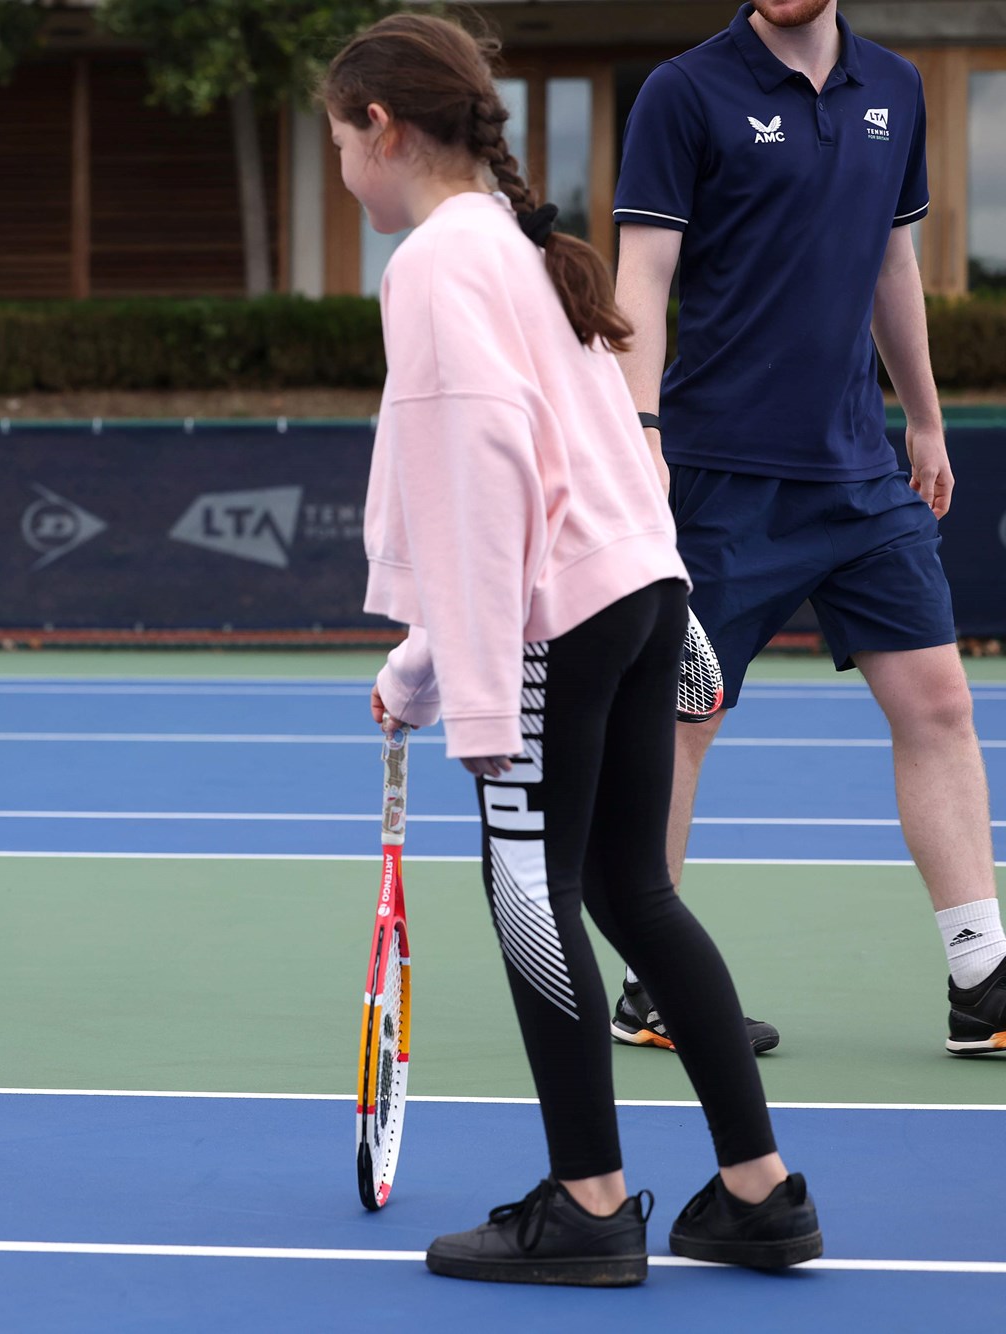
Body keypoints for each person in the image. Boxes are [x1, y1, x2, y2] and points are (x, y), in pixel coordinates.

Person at [326, 14, 821, 1284]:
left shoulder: (438, 262)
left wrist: (477, 704)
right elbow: (579, 469)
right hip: (638, 591)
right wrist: (418, 668)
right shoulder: (518, 247)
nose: (340, 167)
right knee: (630, 891)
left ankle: (590, 1204)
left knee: (528, 899)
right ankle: (757, 1193)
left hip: (563, 624)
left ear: (380, 127)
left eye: (337, 138)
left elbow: (487, 490)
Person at [611, 0, 1005, 1056]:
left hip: (857, 471)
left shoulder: (896, 88)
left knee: (936, 702)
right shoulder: (682, 92)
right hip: (717, 473)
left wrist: (920, 415)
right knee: (684, 720)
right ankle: (651, 985)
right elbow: (639, 278)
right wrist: (637, 426)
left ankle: (981, 978)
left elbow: (888, 262)